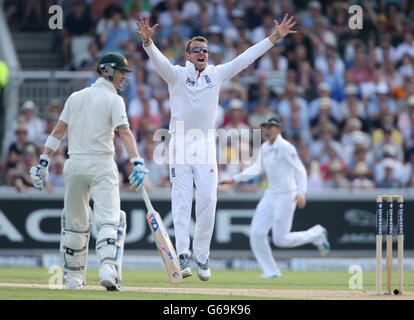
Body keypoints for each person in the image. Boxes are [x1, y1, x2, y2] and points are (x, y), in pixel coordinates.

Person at [136, 14, 297, 281]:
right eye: (197, 50)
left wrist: (274, 38)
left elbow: (245, 59)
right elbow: (160, 62)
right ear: (188, 55)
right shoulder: (176, 75)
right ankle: (183, 254)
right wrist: (148, 43)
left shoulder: (216, 74)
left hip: (205, 144)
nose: (203, 53)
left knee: (209, 198)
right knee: (182, 200)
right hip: (178, 143)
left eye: (206, 50)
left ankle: (202, 255)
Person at [29, 52, 149, 291]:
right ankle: (108, 271)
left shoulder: (76, 97)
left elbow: (58, 130)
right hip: (102, 163)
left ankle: (73, 280)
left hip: (74, 166)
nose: (125, 76)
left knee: (75, 222)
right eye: (121, 71)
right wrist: (137, 161)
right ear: (106, 71)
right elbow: (124, 132)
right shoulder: (114, 99)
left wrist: (43, 160)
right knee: (110, 219)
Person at [219, 117, 330, 278]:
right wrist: (234, 179)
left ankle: (316, 234)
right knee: (256, 233)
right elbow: (255, 170)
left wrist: (301, 192)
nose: (267, 130)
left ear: (278, 129)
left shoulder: (286, 147)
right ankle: (271, 271)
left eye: (271, 127)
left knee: (281, 240)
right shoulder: (264, 147)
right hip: (270, 195)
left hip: (287, 195)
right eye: (265, 127)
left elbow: (299, 170)